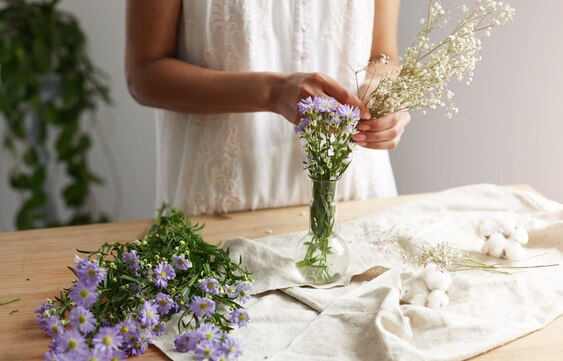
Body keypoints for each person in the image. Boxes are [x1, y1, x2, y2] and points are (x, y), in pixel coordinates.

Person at [125, 0, 411, 214]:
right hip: (222, 208)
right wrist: (271, 92)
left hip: (357, 198)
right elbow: (144, 74)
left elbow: (381, 55)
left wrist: (385, 97)